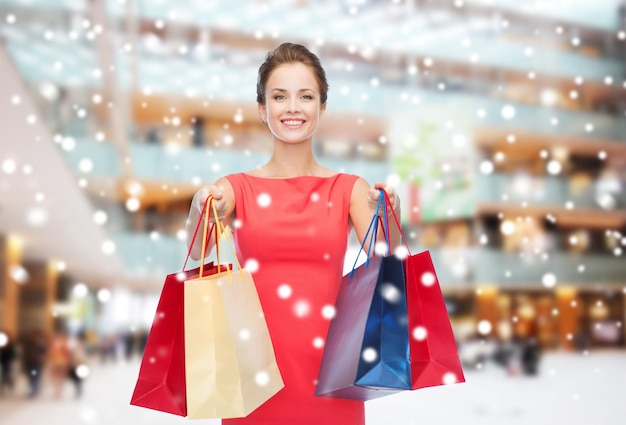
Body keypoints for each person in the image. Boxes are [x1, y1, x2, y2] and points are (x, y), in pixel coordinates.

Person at [185, 42, 401, 425]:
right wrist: (201, 208)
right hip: (256, 378)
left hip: (331, 377)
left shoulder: (349, 188)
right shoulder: (235, 187)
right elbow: (199, 253)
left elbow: (389, 262)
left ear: (322, 107)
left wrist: (391, 216)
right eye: (279, 96)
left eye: (305, 96)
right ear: (262, 108)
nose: (292, 108)